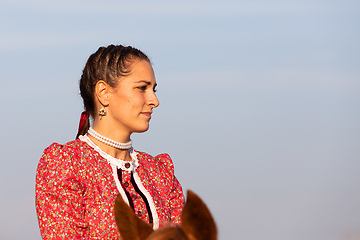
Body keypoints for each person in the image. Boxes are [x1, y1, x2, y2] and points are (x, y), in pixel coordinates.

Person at [35, 44, 185, 239]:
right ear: (104, 92)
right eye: (142, 88)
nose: (154, 100)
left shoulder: (160, 173)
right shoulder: (65, 165)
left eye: (153, 89)